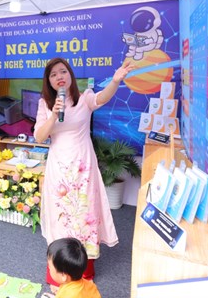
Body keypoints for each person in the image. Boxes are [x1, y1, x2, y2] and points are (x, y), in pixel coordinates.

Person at [34, 57, 134, 290]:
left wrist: (116, 81)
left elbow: (102, 98)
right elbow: (39, 136)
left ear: (70, 74)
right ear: (48, 81)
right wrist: (53, 115)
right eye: (53, 74)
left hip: (82, 170)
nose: (59, 77)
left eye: (63, 71)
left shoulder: (84, 98)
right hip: (59, 170)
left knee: (83, 218)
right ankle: (59, 272)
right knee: (61, 220)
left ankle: (84, 271)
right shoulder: (45, 104)